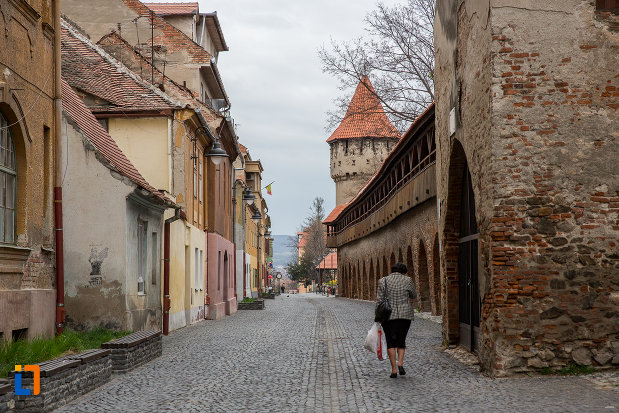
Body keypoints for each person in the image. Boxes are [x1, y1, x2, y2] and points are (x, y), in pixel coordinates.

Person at [375, 262, 417, 378]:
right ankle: (400, 363)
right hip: (405, 315)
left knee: (390, 342)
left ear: (392, 270)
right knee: (401, 340)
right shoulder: (408, 280)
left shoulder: (383, 281)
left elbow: (379, 301)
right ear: (404, 271)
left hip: (388, 316)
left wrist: (377, 317)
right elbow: (413, 295)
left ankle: (393, 370)